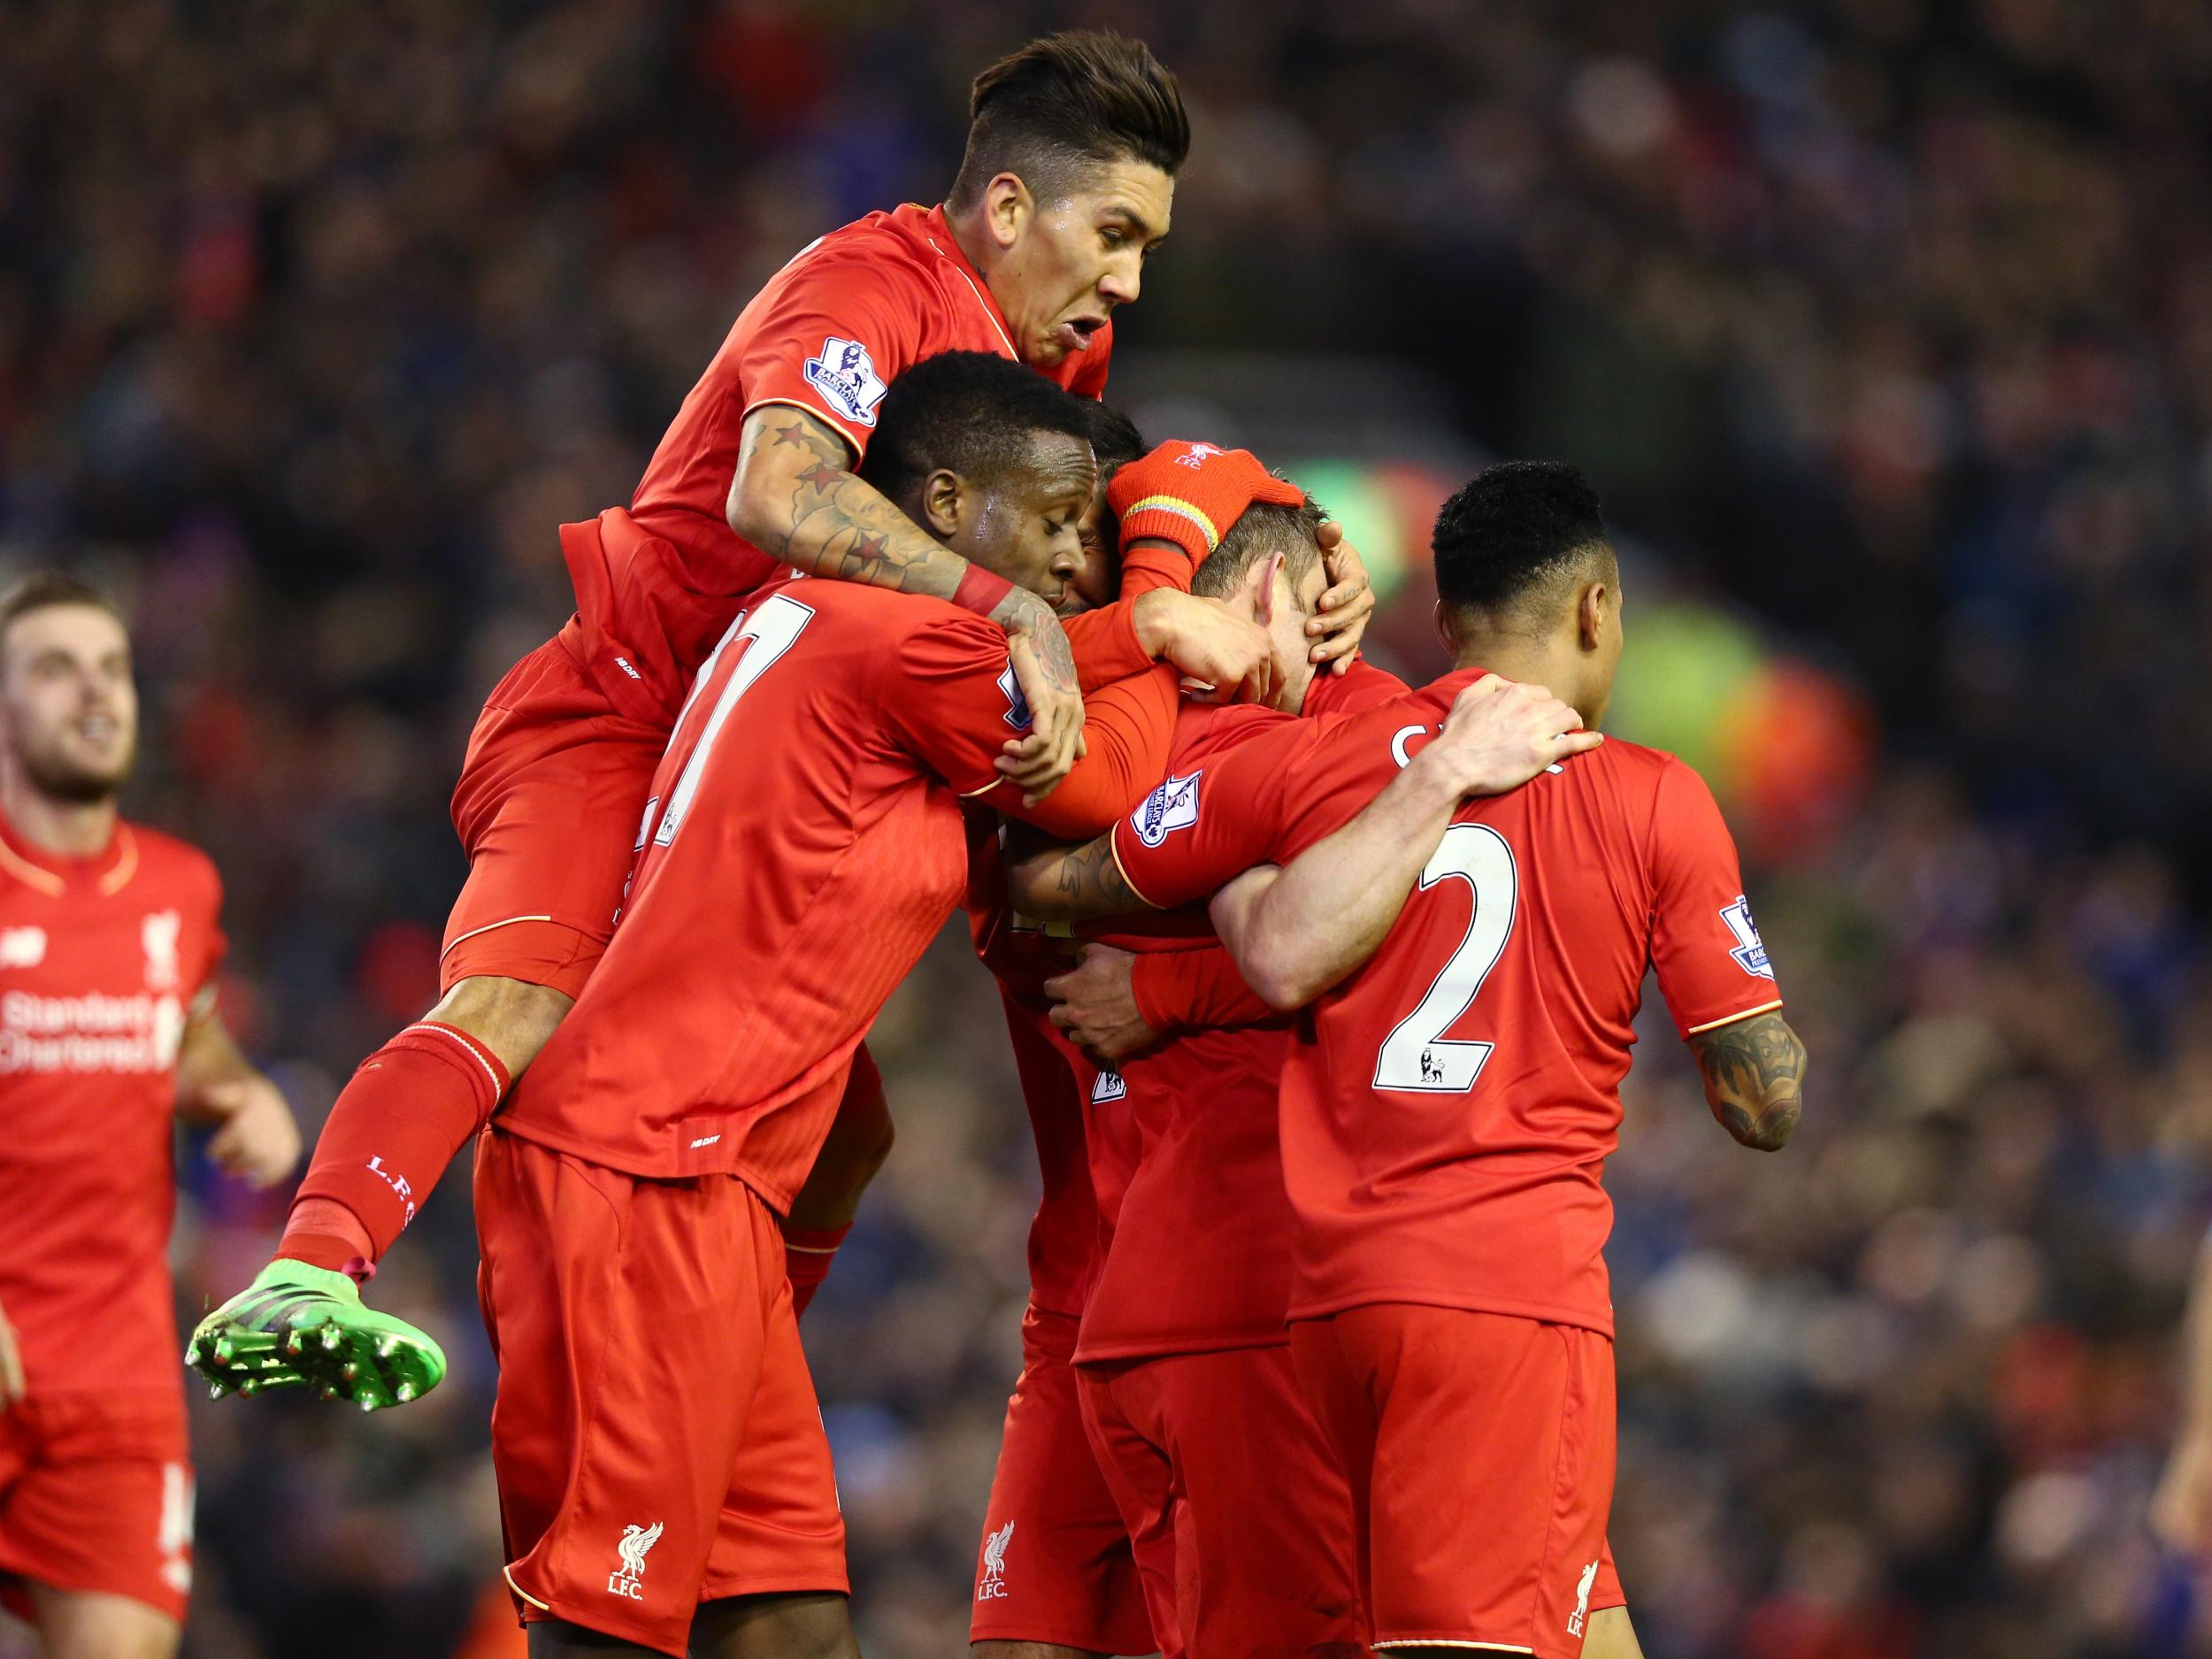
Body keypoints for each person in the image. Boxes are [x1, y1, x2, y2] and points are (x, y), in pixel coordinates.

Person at [191, 29, 1372, 1399]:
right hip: (622, 712)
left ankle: (722, 1381)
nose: (1126, 278)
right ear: (1006, 206)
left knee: (843, 1132)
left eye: (1148, 246)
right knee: (522, 996)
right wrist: (1015, 608)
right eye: (1113, 231)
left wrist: (1299, 542)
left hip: (761, 766)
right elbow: (778, 493)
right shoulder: (868, 281)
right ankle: (310, 1269)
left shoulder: (1053, 361)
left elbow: (1144, 483)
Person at [442, 357, 1322, 1659]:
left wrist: (1240, 543)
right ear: (948, 503)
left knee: (793, 1626)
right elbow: (1097, 780)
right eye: (1058, 525)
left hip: (724, 1193)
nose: (1073, 561)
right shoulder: (908, 637)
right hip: (647, 1168)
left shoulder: (848, 625)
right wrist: (1158, 600)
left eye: (1095, 531)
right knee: (610, 1631)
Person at [1013, 461, 1806, 1658]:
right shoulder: (1656, 797)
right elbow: (1763, 1099)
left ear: (1437, 622)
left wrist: (1165, 972)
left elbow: (1054, 885)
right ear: (1599, 610)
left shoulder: (1303, 765)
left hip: (1333, 1304)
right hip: (1507, 1293)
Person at [0, 573, 299, 1659]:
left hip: (116, 1378)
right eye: (53, 667)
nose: (95, 692)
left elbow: (178, 1032)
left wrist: (237, 1089)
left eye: (112, 669)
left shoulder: (180, 887)